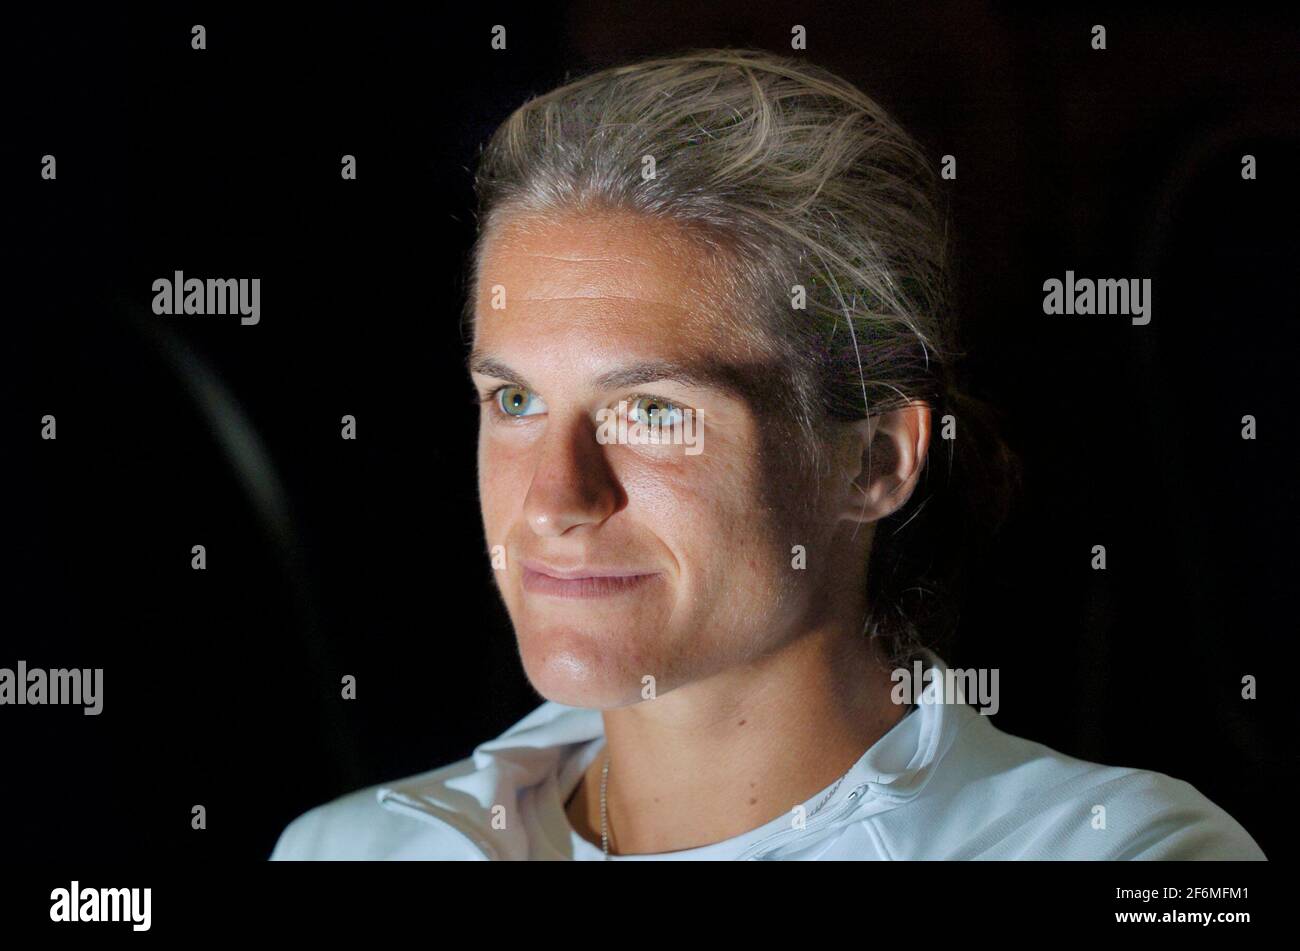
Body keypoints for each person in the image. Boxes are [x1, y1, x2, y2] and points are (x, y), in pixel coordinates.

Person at [270, 48, 1265, 860]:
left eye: (653, 411)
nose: (554, 499)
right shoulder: (345, 853)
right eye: (517, 399)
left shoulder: (1126, 857)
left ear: (873, 460)